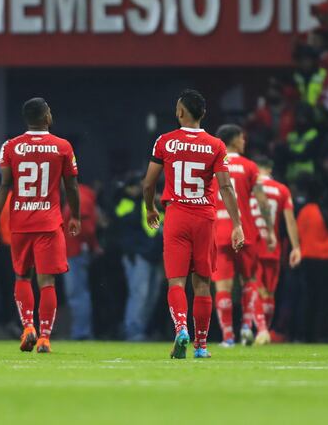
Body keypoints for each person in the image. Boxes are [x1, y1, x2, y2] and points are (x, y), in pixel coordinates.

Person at [142, 89, 245, 359]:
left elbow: (148, 183)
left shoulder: (165, 141)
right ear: (204, 114)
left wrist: (150, 207)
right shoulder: (216, 145)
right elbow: (226, 187)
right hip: (204, 217)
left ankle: (180, 329)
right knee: (202, 284)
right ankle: (200, 346)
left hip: (176, 215)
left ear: (180, 112)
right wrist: (237, 224)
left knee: (176, 281)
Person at [0, 98, 81, 353]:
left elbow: (4, 185)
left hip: (19, 222)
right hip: (49, 223)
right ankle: (45, 337)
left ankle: (28, 326)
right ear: (46, 117)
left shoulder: (10, 146)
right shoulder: (63, 146)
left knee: (21, 276)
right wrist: (75, 215)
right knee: (47, 281)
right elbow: (71, 186)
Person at [212, 124, 276, 347]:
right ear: (235, 140)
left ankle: (228, 337)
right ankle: (247, 327)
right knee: (249, 280)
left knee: (222, 287)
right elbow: (262, 201)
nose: (244, 142)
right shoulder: (250, 166)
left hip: (219, 232)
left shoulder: (211, 164)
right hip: (245, 231)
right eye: (242, 138)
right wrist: (268, 230)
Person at [251, 157, 302, 330]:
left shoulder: (249, 186)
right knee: (269, 292)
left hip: (252, 243)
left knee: (255, 288)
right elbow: (290, 221)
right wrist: (296, 247)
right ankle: (266, 329)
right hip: (272, 246)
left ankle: (261, 330)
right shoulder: (282, 189)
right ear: (270, 170)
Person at [115, 173, 163, 342]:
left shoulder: (156, 206)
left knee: (152, 295)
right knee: (139, 294)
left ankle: (141, 329)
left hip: (155, 256)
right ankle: (133, 330)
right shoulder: (127, 203)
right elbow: (124, 229)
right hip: (138, 255)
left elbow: (158, 231)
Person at [296, 176, 328, 343]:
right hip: (327, 259)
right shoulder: (325, 211)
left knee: (309, 298)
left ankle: (307, 334)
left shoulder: (302, 212)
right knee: (325, 299)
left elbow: (297, 235)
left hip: (307, 259)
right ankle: (322, 333)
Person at [63, 182, 103, 341]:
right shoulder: (81, 196)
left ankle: (81, 332)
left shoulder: (81, 197)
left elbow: (86, 228)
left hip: (76, 251)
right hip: (74, 251)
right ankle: (81, 330)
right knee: (78, 292)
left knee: (77, 292)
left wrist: (93, 245)